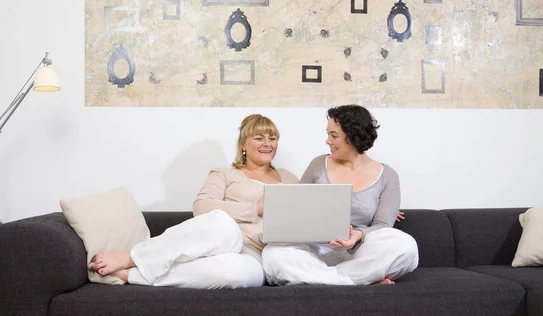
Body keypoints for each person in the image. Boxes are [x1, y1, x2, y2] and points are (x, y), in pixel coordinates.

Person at [88, 114, 298, 288]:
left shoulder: (289, 178)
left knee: (242, 275)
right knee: (222, 224)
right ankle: (132, 257)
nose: (267, 144)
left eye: (272, 138)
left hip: (261, 256)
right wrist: (254, 209)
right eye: (259, 138)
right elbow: (202, 207)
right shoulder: (225, 174)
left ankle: (132, 275)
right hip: (228, 242)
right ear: (243, 144)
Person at [262, 105, 419, 286]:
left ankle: (321, 280)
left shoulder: (387, 175)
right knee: (273, 254)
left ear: (352, 136)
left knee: (405, 245)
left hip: (359, 253)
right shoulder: (318, 164)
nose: (327, 141)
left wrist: (358, 234)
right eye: (328, 134)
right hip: (315, 250)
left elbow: (382, 226)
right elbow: (299, 207)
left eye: (334, 135)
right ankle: (356, 283)